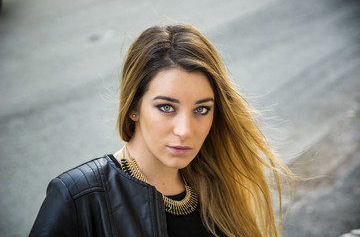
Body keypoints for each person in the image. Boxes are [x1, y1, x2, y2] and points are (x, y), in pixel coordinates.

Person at [29, 24, 293, 237]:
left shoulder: (217, 187)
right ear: (134, 107)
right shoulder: (78, 197)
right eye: (166, 107)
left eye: (201, 109)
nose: (185, 130)